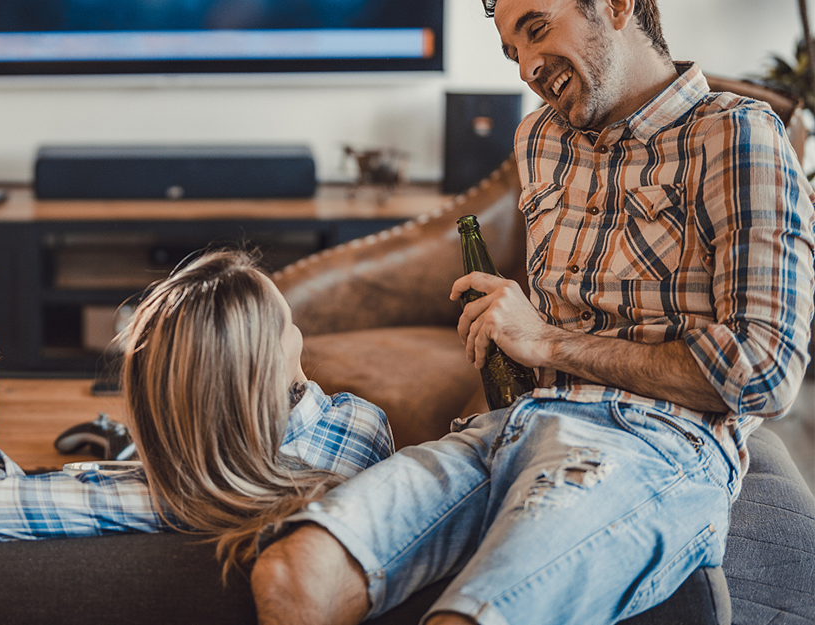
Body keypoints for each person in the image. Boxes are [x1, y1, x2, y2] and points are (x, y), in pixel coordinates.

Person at [250, 0, 815, 623]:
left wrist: (546, 343)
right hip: (516, 428)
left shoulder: (737, 135)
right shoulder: (540, 139)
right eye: (511, 50)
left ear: (618, 6)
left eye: (537, 30)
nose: (525, 68)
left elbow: (765, 371)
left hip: (654, 446)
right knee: (292, 568)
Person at [0, 249, 395, 576]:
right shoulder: (362, 428)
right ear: (275, 360)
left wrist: (134, 478)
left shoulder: (153, 499)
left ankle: (129, 445)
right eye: (289, 321)